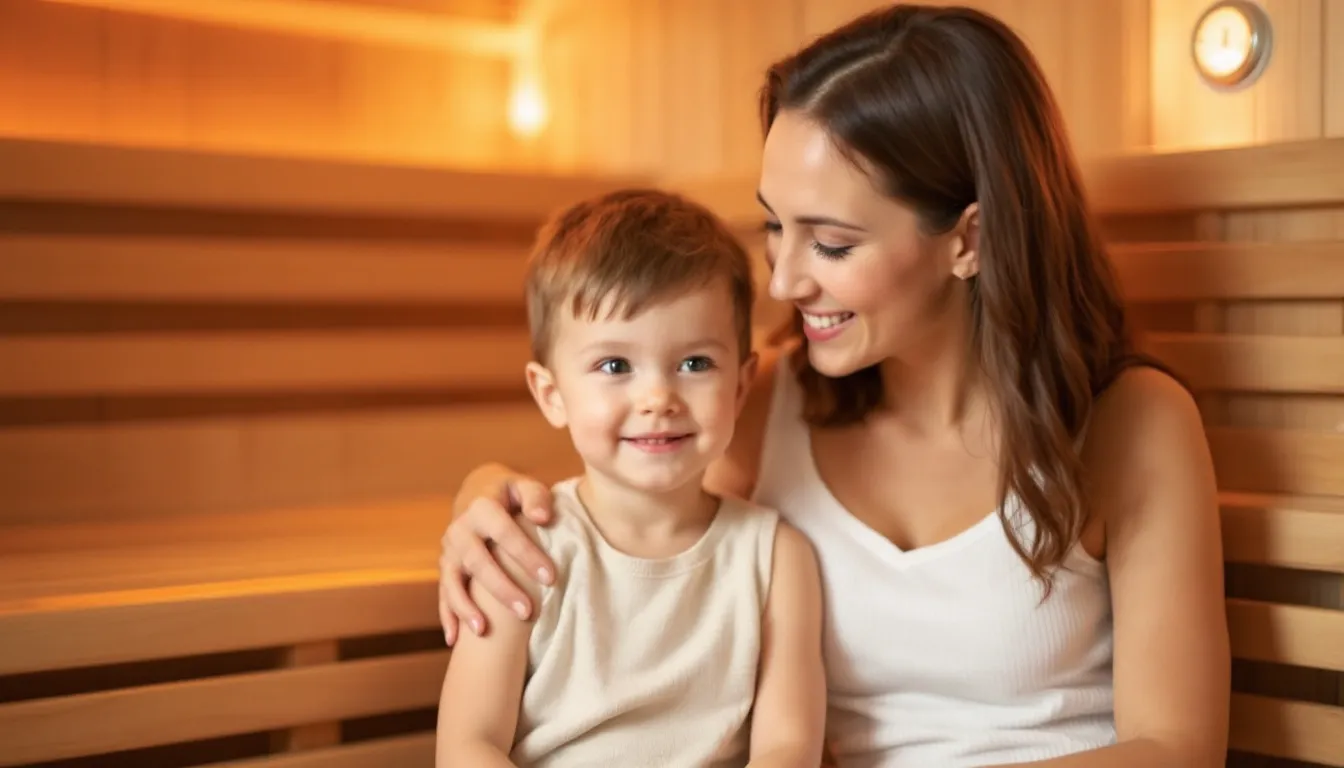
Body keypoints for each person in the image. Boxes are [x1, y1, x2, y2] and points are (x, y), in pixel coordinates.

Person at [438, 5, 1230, 767]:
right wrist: (485, 495)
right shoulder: (770, 400)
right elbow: (629, 510)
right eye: (776, 227)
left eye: (832, 243)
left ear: (970, 238)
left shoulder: (1132, 423)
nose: (783, 282)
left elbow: (1176, 749)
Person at [434, 188, 827, 768]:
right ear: (552, 393)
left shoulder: (776, 558)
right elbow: (469, 746)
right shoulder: (523, 550)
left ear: (742, 385)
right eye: (615, 365)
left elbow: (788, 746)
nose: (658, 398)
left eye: (695, 363)